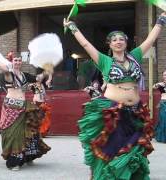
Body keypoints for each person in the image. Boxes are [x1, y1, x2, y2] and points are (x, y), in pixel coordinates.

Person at [63, 12, 166, 179]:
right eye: (114, 40)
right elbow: (86, 45)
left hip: (136, 111)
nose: (118, 42)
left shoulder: (135, 56)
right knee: (113, 148)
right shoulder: (104, 60)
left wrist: (161, 20)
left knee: (133, 149)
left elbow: (150, 40)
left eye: (121, 39)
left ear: (126, 42)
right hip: (114, 111)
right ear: (109, 45)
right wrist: (72, 27)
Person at [0, 51, 51, 170]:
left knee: (28, 131)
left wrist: (47, 70)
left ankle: (28, 156)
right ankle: (14, 161)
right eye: (15, 60)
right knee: (14, 134)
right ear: (11, 61)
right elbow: (5, 70)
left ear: (21, 61)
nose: (17, 62)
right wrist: (3, 64)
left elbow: (38, 78)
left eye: (19, 60)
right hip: (11, 107)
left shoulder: (24, 75)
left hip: (23, 105)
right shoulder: (9, 74)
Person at [29, 72, 52, 137]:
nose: (39, 78)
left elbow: (48, 77)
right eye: (38, 77)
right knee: (35, 118)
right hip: (36, 103)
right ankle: (34, 132)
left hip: (42, 103)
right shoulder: (33, 85)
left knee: (42, 118)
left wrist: (49, 73)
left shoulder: (43, 85)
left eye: (41, 77)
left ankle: (41, 132)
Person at [153, 69, 166, 143]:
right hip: (163, 103)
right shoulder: (161, 84)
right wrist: (157, 84)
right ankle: (162, 138)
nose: (165, 76)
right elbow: (153, 87)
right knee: (163, 119)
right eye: (164, 75)